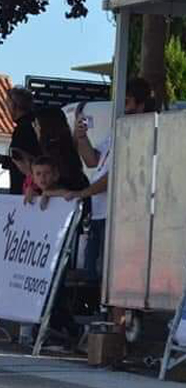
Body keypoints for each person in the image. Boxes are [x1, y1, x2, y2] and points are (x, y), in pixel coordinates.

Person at [65, 77, 151, 279]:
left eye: (127, 102)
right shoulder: (117, 132)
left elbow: (118, 176)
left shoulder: (142, 135)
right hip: (100, 212)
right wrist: (81, 137)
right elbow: (93, 160)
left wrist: (83, 192)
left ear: (141, 105)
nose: (123, 108)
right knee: (93, 275)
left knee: (110, 277)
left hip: (119, 215)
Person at [4, 87, 39, 194]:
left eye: (7, 104)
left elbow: (20, 157)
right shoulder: (35, 124)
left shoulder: (23, 128)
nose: (6, 108)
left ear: (14, 106)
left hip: (26, 188)